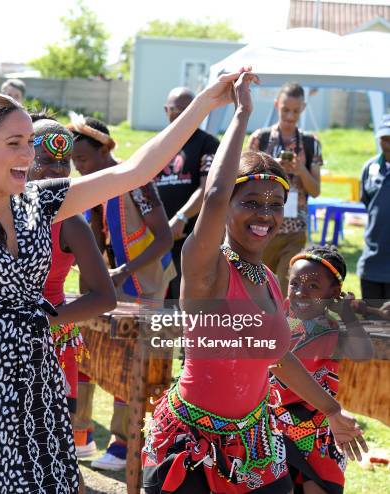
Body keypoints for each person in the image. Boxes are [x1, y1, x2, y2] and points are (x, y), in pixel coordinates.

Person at [0, 67, 260, 492]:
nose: (28, 158)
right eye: (15, 144)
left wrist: (206, 102)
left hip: (39, 386)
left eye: (29, 146)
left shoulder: (43, 203)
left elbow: (136, 171)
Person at [142, 72, 366, 494]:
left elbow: (277, 357)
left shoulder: (267, 278)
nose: (265, 215)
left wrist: (332, 409)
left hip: (255, 445)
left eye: (275, 205)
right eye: (250, 203)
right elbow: (212, 195)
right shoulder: (206, 268)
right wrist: (242, 114)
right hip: (191, 446)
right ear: (227, 206)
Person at [69, 116, 174, 471]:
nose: (78, 168)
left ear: (105, 150)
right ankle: (79, 436)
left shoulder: (137, 184)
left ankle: (124, 442)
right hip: (108, 289)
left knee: (129, 365)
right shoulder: (90, 188)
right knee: (87, 354)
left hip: (143, 287)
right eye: (75, 161)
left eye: (83, 159)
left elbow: (165, 238)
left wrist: (124, 271)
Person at [28, 114, 116, 494]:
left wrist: (50, 319)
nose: (56, 170)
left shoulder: (69, 221)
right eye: (45, 160)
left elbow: (103, 295)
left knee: (54, 447)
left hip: (50, 345)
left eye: (63, 163)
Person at [271, 245, 372, 494]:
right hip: (270, 421)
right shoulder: (276, 317)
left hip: (317, 424)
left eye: (313, 287)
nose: (301, 293)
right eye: (294, 284)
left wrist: (348, 315)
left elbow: (363, 353)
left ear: (333, 293)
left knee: (318, 486)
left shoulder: (332, 328)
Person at [248, 82, 323, 295]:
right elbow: (244, 181)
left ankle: (287, 328)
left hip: (294, 230)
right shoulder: (259, 139)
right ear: (276, 105)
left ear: (303, 109)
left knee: (286, 289)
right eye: (285, 110)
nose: (290, 116)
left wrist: (300, 170)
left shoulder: (311, 143)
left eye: (296, 111)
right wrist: (273, 168)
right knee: (258, 290)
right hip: (261, 227)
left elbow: (316, 190)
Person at [157, 87, 220, 301]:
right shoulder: (158, 144)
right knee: (157, 304)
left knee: (184, 300)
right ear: (166, 110)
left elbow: (207, 188)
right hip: (158, 238)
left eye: (188, 109)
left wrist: (180, 218)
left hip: (192, 238)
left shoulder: (207, 143)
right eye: (176, 109)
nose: (182, 113)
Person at [357, 114, 390, 308]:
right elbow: (368, 202)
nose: (388, 144)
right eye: (385, 139)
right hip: (371, 262)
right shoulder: (370, 168)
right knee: (372, 321)